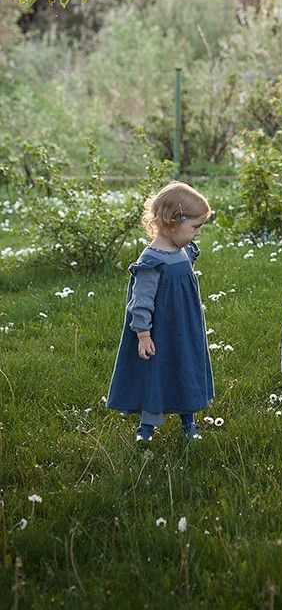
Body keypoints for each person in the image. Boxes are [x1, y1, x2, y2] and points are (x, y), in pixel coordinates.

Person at [107, 181, 214, 443]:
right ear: (171, 223)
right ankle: (147, 426)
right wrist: (143, 334)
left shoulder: (183, 251)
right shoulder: (151, 262)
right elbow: (140, 301)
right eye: (195, 227)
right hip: (160, 331)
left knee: (185, 367)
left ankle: (188, 419)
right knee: (156, 372)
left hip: (185, 328)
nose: (198, 233)